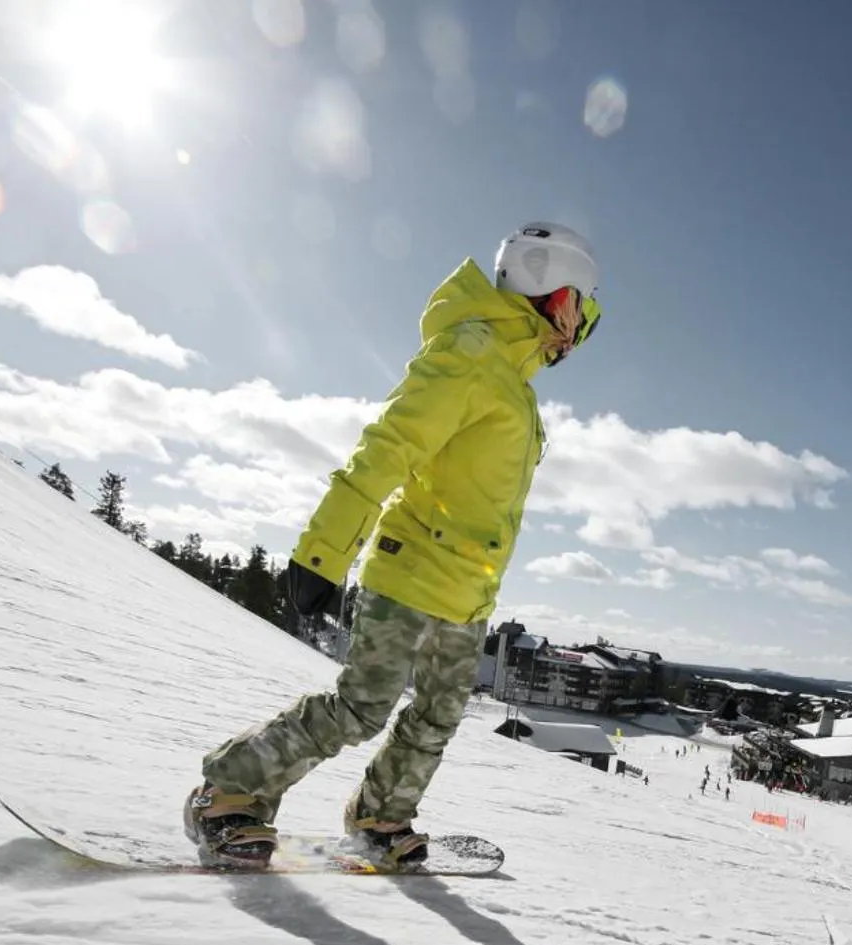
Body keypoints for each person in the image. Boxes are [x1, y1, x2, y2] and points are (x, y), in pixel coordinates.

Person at [184, 223, 602, 867]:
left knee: (437, 720)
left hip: (467, 595)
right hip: (409, 573)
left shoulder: (516, 385)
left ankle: (381, 815)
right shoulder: (472, 352)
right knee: (360, 709)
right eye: (581, 301)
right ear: (549, 287)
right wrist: (324, 549)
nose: (583, 322)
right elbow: (391, 445)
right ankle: (228, 793)